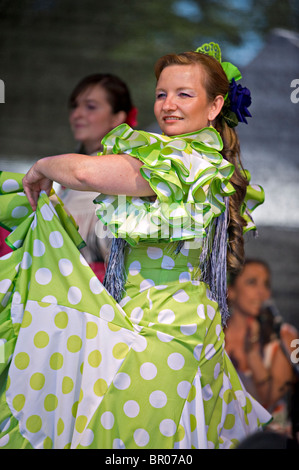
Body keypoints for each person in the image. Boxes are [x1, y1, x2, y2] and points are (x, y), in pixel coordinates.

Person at [0, 42, 272, 450]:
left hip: (163, 331)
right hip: (155, 322)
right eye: (162, 93)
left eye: (184, 94)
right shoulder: (195, 161)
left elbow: (83, 172)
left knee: (130, 443)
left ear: (215, 107)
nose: (168, 104)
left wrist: (41, 166)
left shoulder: (187, 163)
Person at [57, 74, 137, 278]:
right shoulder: (67, 176)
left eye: (90, 107)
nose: (77, 114)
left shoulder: (126, 171)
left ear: (117, 118)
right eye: (74, 106)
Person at [225, 258, 299, 439]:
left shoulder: (285, 337)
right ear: (231, 291)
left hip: (272, 440)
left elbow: (267, 404)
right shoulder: (215, 337)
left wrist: (253, 356)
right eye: (252, 282)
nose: (262, 292)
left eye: (266, 284)